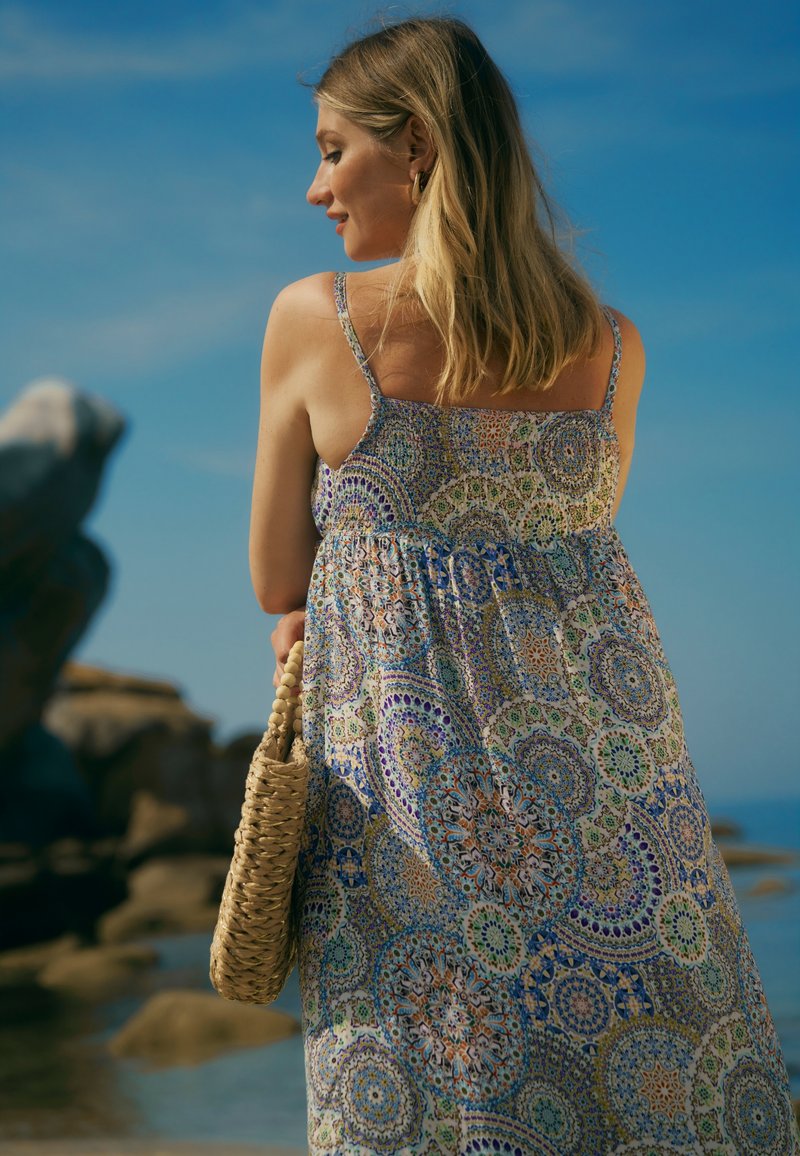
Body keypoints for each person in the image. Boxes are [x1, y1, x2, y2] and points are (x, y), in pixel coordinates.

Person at [250, 16, 798, 1155]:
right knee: (649, 1077)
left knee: (431, 1094)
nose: (316, 189)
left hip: (410, 799)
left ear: (417, 146)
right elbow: (568, 559)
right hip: (613, 792)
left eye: (333, 150)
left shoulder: (317, 319)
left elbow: (273, 577)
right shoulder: (613, 348)